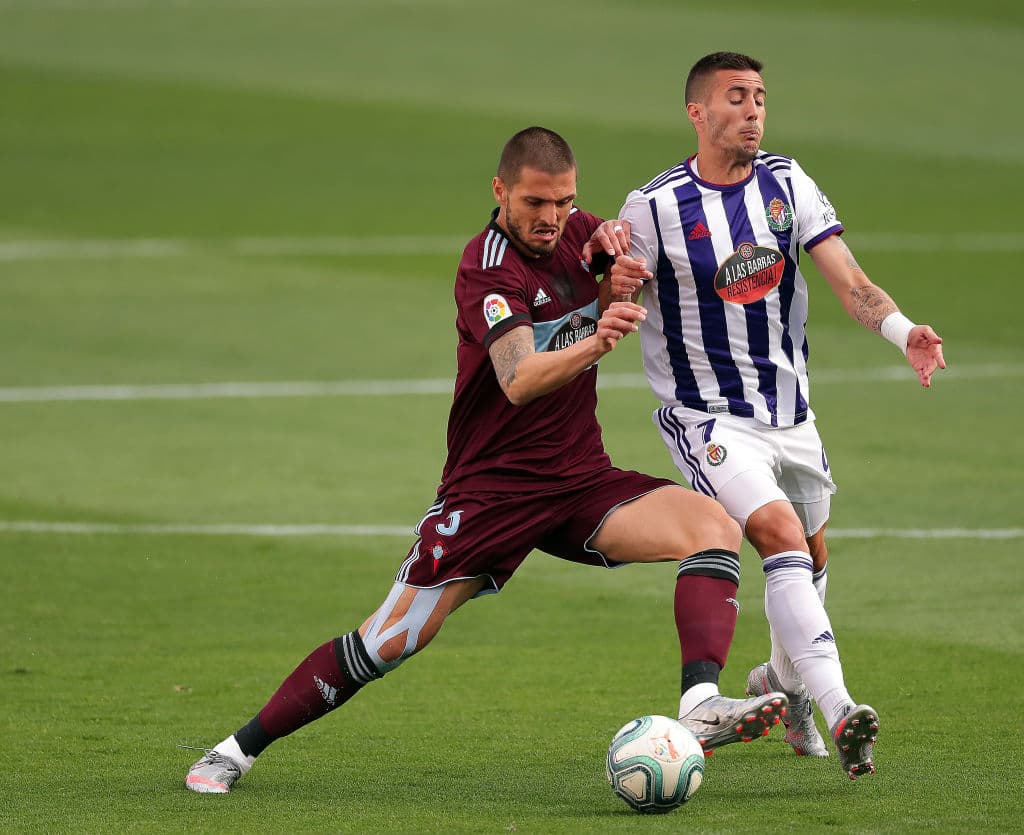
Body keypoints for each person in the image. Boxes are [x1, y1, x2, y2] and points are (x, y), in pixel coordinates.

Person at [184, 126, 788, 794]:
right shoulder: (488, 266)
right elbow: (519, 379)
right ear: (501, 191)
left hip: (579, 479)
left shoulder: (577, 232)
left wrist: (618, 273)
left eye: (563, 201)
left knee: (711, 525)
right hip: (492, 493)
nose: (551, 217)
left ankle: (700, 703)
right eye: (535, 202)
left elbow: (612, 277)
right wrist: (600, 338)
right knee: (390, 640)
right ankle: (234, 750)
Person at [600, 52, 945, 780]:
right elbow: (613, 300)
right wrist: (613, 285)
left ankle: (782, 689)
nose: (753, 110)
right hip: (709, 418)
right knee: (781, 537)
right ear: (697, 112)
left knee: (811, 560)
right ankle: (840, 708)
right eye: (736, 97)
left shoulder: (788, 183)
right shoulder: (653, 207)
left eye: (759, 96)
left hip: (792, 415)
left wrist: (902, 330)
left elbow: (849, 279)